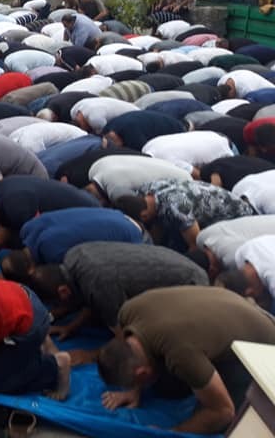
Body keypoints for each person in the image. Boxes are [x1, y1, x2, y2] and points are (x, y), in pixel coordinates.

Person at [98, 286, 275, 434]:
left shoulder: (180, 354)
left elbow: (224, 411)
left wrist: (173, 432)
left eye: (136, 382)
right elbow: (129, 352)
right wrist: (133, 391)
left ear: (142, 373)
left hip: (263, 349)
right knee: (171, 383)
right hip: (232, 304)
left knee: (216, 419)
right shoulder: (128, 311)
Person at [30, 242, 208, 339]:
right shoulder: (74, 254)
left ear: (63, 292)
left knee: (158, 340)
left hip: (191, 286)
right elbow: (92, 300)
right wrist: (70, 327)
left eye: (57, 304)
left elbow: (125, 337)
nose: (59, 308)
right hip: (174, 260)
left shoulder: (98, 281)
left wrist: (90, 356)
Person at [0, 207, 148, 282]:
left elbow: (80, 280)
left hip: (134, 235)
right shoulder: (27, 228)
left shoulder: (51, 253)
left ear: (31, 270)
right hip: (118, 214)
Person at [114, 179, 255, 252]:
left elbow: (196, 245)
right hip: (205, 207)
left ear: (144, 216)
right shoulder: (147, 189)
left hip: (237, 216)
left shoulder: (176, 208)